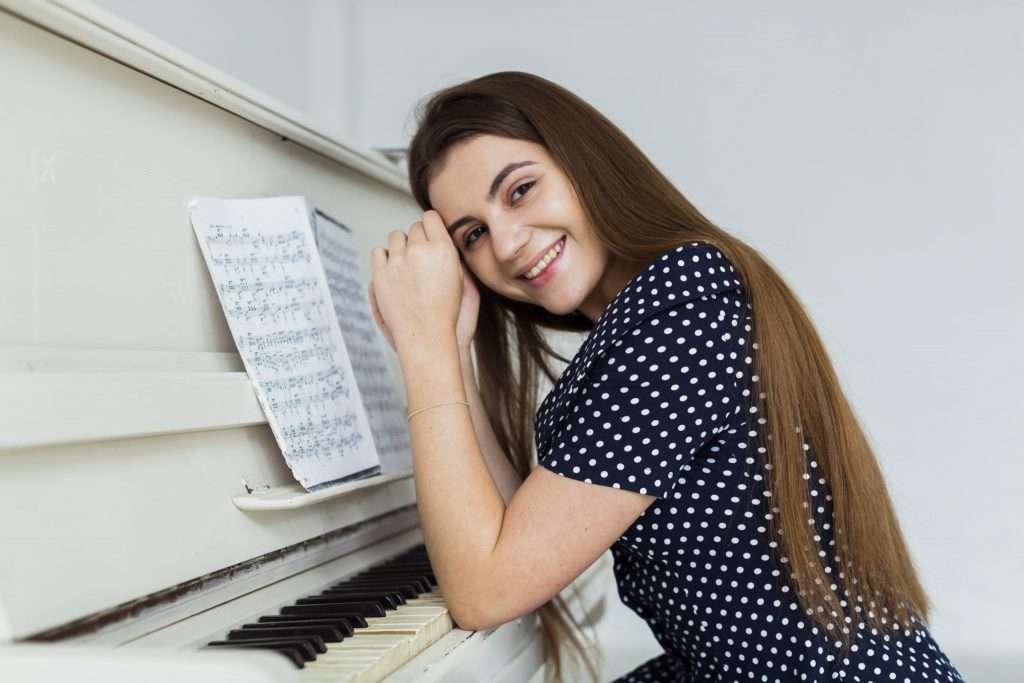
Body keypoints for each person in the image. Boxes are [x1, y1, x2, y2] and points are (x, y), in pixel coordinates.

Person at [367, 71, 964, 682]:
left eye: (520, 191)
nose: (509, 243)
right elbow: (512, 541)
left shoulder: (682, 306)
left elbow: (487, 589)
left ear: (584, 164)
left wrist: (424, 355)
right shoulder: (666, 301)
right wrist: (449, 350)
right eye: (474, 235)